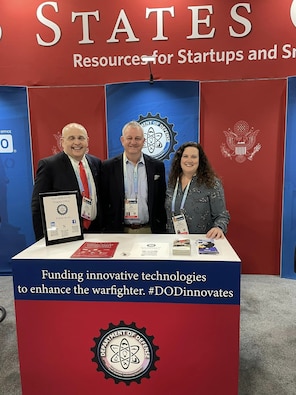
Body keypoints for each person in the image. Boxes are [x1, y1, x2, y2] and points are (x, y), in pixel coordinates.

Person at [31, 122, 102, 241]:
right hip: (64, 235)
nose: (77, 143)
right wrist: (42, 239)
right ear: (62, 142)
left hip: (96, 232)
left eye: (81, 138)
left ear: (87, 141)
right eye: (71, 138)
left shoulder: (96, 163)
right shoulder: (49, 166)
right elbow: (37, 205)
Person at [101, 120, 167, 234]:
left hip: (149, 230)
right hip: (119, 231)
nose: (133, 142)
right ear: (122, 140)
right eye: (129, 138)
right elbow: (103, 201)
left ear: (143, 141)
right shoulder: (108, 167)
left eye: (137, 138)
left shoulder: (157, 166)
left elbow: (161, 199)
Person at [165, 142, 230, 238]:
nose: (189, 160)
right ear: (180, 159)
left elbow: (222, 215)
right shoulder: (173, 181)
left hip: (202, 242)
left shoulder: (211, 183)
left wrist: (219, 227)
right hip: (174, 241)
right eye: (185, 156)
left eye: (194, 157)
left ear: (200, 160)